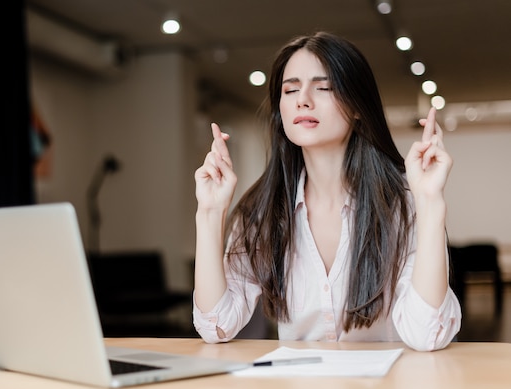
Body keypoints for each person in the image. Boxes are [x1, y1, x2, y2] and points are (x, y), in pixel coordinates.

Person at [192, 31, 461, 352]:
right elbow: (216, 325)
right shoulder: (262, 211)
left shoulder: (402, 202)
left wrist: (429, 202)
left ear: (358, 106)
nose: (303, 99)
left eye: (323, 87)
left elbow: (427, 334)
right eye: (290, 89)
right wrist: (210, 212)